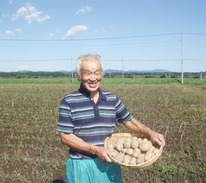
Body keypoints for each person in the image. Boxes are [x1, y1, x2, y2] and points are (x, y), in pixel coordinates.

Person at [57, 53, 165, 183]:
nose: (93, 78)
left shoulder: (112, 99)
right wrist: (95, 150)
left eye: (97, 73)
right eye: (87, 73)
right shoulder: (69, 101)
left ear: (101, 75)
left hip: (109, 162)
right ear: (79, 76)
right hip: (81, 165)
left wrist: (150, 133)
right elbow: (65, 136)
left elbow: (129, 121)